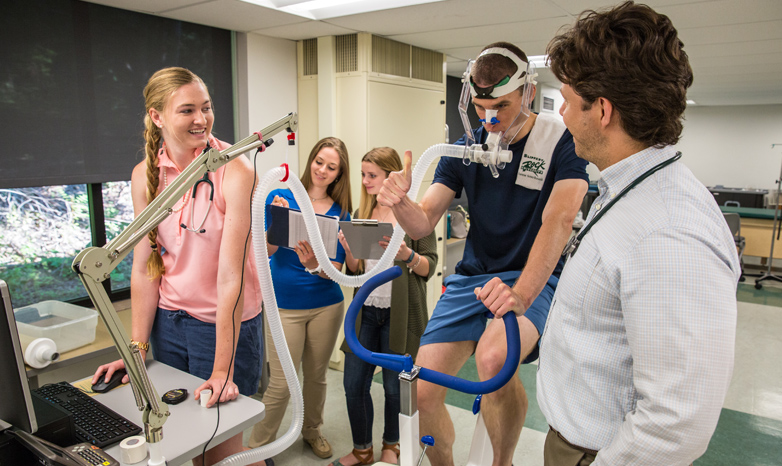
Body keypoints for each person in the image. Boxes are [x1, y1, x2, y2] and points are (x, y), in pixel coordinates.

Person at [536, 3, 741, 465]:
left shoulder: (668, 235)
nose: (562, 114)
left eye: (567, 101)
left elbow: (676, 423)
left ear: (603, 110)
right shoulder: (627, 190)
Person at [377, 42, 589, 466]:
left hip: (530, 275)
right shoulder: (465, 145)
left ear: (527, 93)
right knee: (421, 389)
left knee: (494, 359)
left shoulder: (559, 140)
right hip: (472, 277)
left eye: (502, 107)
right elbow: (423, 221)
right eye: (481, 107)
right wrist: (399, 201)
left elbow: (561, 218)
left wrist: (521, 295)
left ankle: (501, 462)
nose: (490, 119)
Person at [91, 67, 264, 466]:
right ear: (157, 116)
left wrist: (222, 368)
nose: (201, 119)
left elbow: (231, 276)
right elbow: (144, 266)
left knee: (221, 451)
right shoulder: (144, 176)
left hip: (221, 324)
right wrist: (135, 351)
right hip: (168, 324)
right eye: (187, 110)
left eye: (206, 108)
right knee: (183, 443)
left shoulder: (234, 171)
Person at [332, 147, 439, 466]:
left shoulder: (415, 215)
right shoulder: (361, 214)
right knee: (353, 384)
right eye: (363, 175)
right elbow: (354, 270)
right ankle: (361, 450)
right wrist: (349, 251)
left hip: (400, 316)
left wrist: (406, 254)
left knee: (395, 389)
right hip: (366, 314)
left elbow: (428, 268)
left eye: (372, 175)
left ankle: (391, 446)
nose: (364, 181)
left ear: (392, 177)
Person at [247, 137, 352, 461]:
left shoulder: (340, 213)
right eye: (319, 161)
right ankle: (256, 447)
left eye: (331, 167)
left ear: (338, 174)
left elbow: (338, 269)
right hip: (284, 306)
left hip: (326, 305)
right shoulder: (280, 196)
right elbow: (263, 253)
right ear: (310, 160)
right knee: (280, 384)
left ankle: (311, 431)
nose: (322, 170)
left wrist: (315, 266)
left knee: (317, 377)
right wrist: (276, 224)